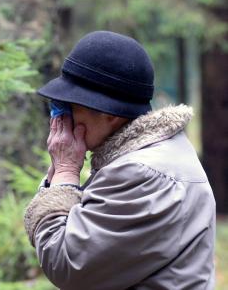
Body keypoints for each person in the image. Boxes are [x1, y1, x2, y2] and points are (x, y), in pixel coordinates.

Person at [24, 31, 215, 290]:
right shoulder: (152, 155)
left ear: (109, 114)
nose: (61, 115)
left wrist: (66, 172)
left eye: (71, 104)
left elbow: (66, 264)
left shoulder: (141, 174)